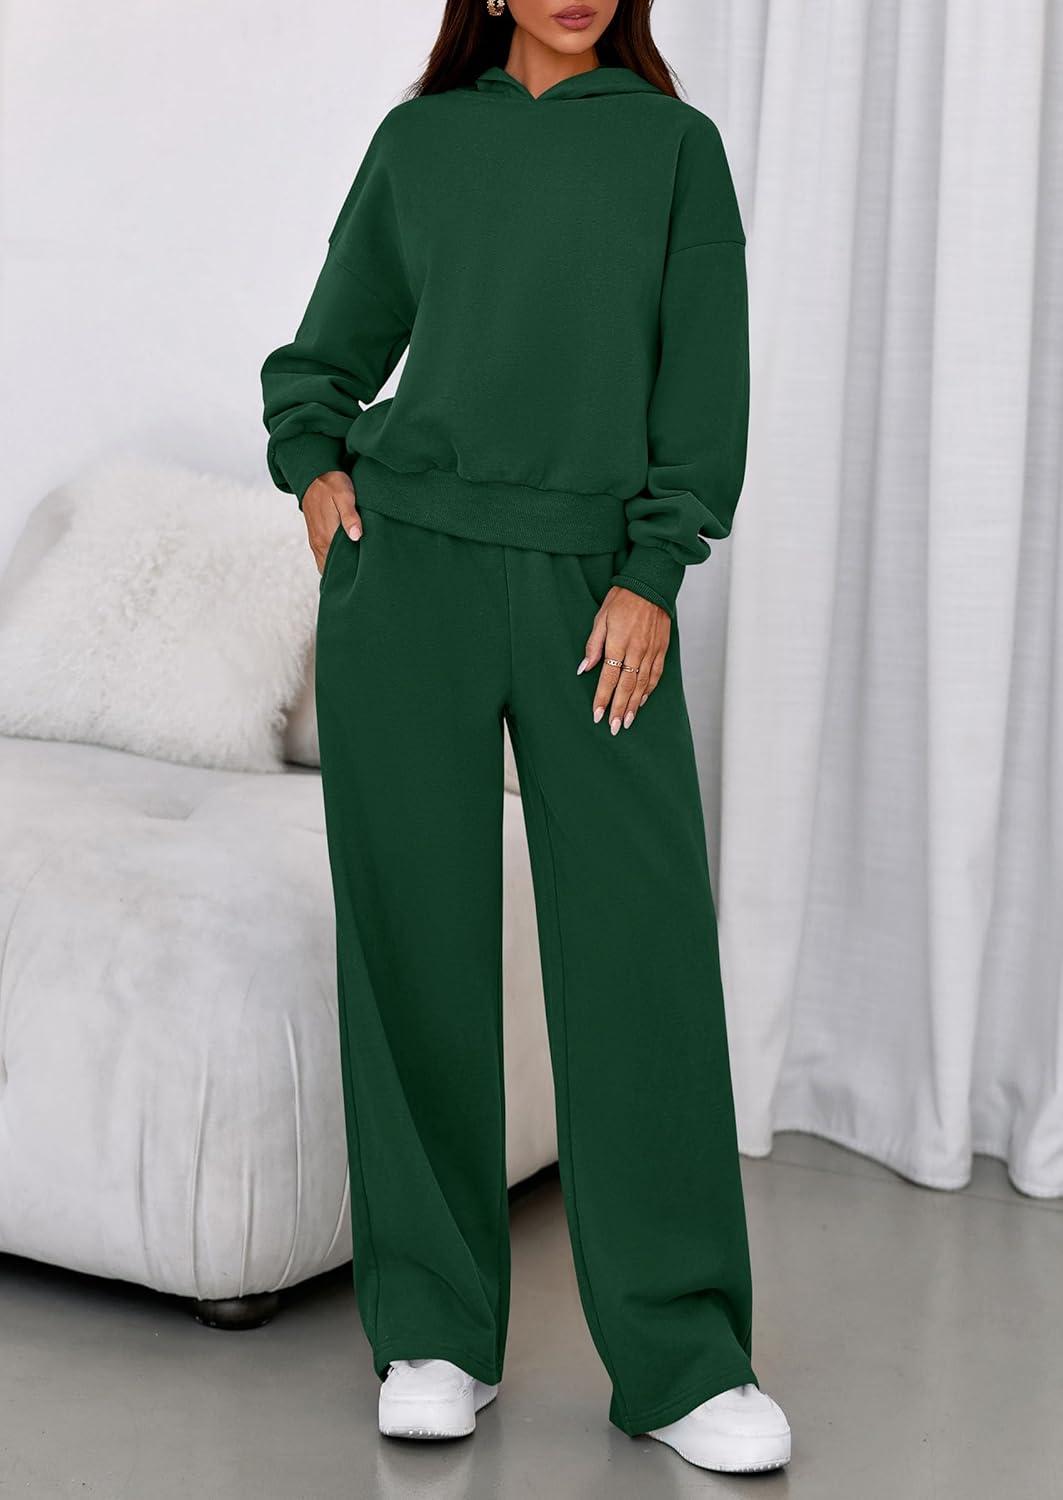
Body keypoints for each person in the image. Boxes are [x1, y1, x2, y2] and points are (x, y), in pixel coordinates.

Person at [260, 0, 791, 1475]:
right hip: (409, 578)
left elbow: (703, 387)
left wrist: (653, 569)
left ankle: (683, 1356)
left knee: (640, 955)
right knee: (415, 947)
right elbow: (326, 355)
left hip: (592, 587)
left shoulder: (673, 150)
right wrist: (315, 468)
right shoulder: (422, 143)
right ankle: (433, 1332)